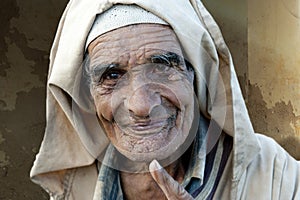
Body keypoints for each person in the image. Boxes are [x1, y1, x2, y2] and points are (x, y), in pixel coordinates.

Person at [30, 0, 300, 199]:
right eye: (112, 75)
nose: (142, 106)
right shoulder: (75, 190)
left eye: (162, 66)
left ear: (195, 76)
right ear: (87, 98)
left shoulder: (275, 178)